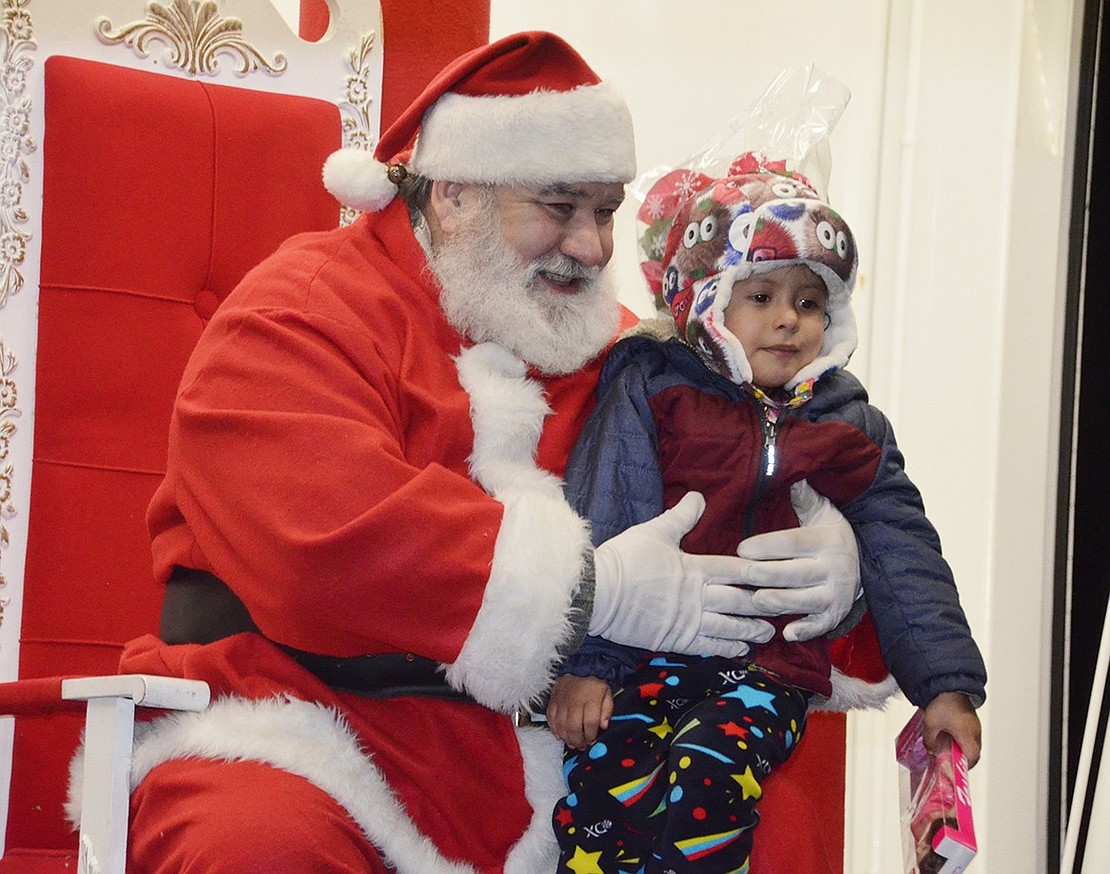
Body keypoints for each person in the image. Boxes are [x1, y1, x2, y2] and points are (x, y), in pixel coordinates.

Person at [102, 33, 863, 874]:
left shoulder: (634, 356)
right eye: (560, 207)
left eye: (605, 211)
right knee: (253, 846)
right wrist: (590, 591)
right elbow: (325, 539)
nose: (593, 247)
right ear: (455, 194)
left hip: (571, 743)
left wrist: (830, 565)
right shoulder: (299, 311)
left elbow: (740, 488)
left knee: (769, 829)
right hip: (301, 722)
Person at [545, 156, 987, 872]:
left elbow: (905, 550)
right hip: (647, 651)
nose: (789, 320)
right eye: (761, 296)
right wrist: (589, 662)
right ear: (707, 302)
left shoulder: (848, 421)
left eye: (811, 302)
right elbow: (607, 504)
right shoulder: (651, 384)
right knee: (603, 776)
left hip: (769, 666)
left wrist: (946, 685)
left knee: (710, 769)